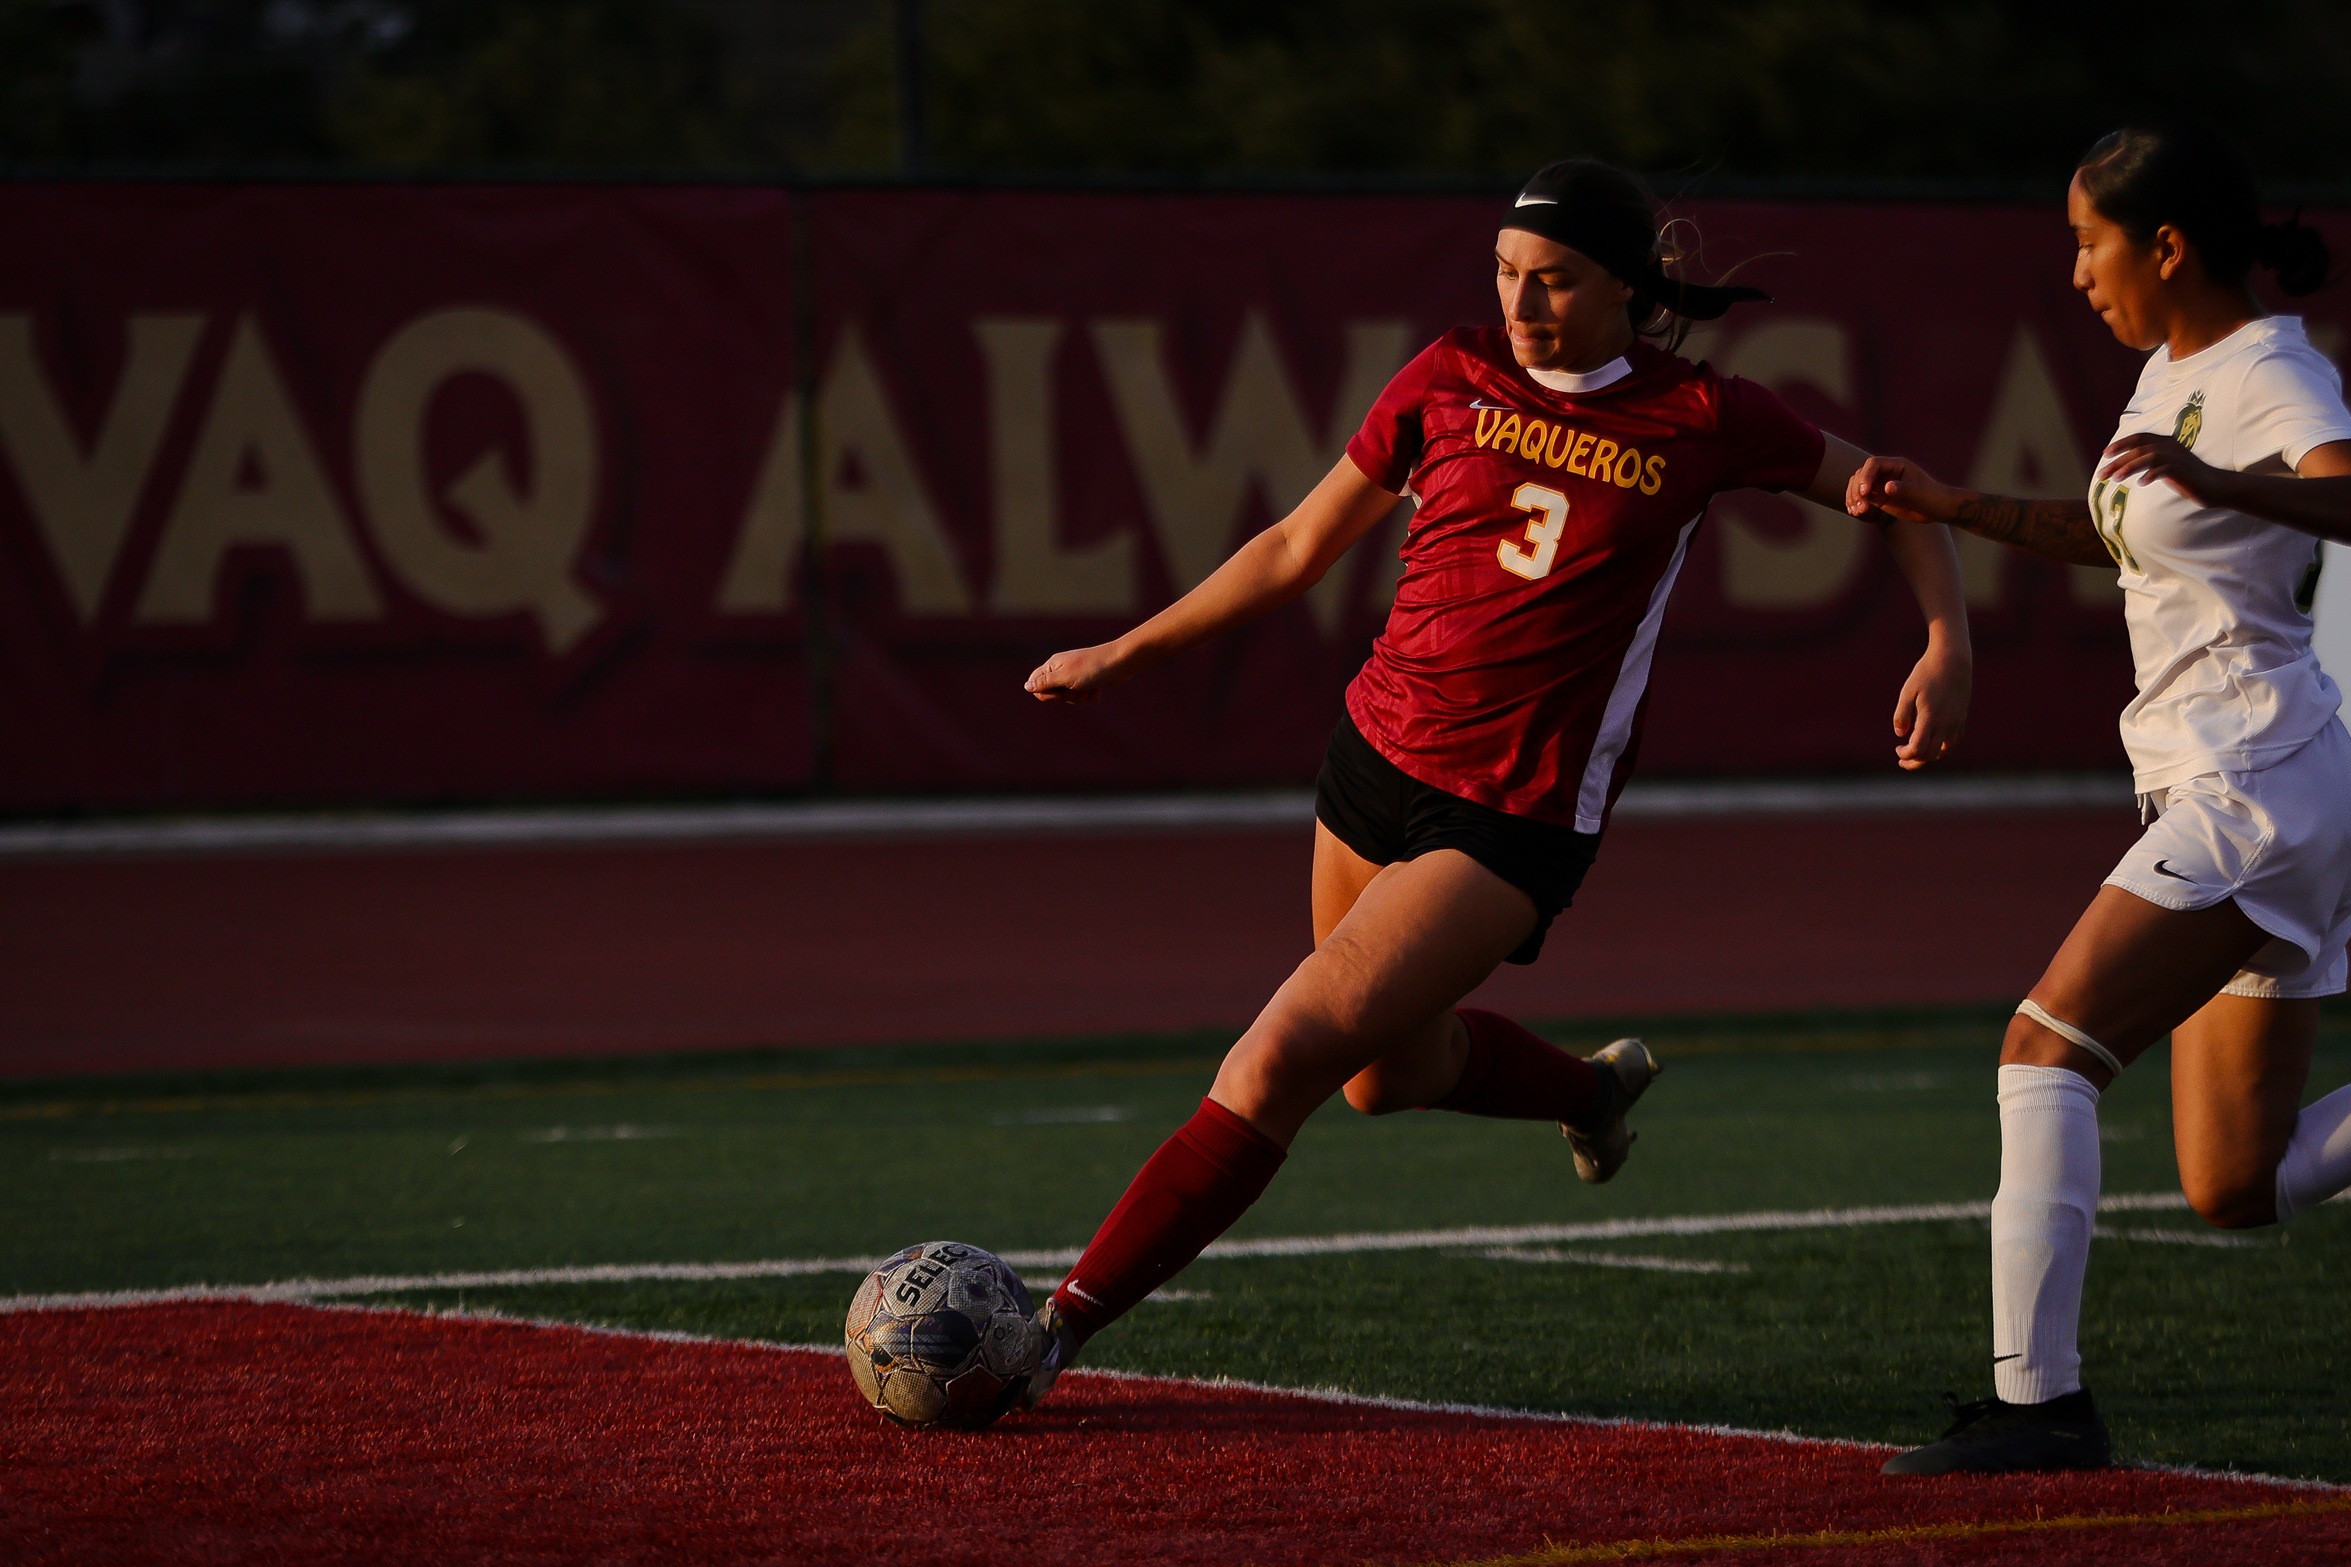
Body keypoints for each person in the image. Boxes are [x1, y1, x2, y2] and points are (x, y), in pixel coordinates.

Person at [1017, 158, 1973, 1406]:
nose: (1522, 304)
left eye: (1555, 279)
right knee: (1379, 1076)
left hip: (1510, 811)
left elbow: (1889, 493)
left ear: (1626, 287)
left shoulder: (1698, 416)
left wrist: (1945, 640)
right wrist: (1122, 650)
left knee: (1276, 1059)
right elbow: (1297, 546)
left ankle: (1044, 1339)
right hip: (1371, 756)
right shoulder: (1445, 373)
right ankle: (1589, 1088)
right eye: (1507, 275)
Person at [1853, 122, 2351, 1475]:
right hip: (2245, 784)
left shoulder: (2267, 371)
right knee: (2229, 1182)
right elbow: (2122, 535)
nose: (2075, 270)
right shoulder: (2166, 370)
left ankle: (2038, 1406)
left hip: (2250, 779)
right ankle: (2041, 1403)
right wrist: (1955, 504)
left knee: (2041, 1048)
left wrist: (2217, 477)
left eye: (2088, 241)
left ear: (2165, 245)